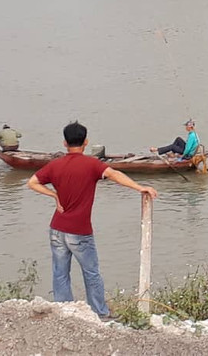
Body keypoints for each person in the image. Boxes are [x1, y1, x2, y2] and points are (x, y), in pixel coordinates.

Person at [28, 121, 158, 319]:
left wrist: (54, 195)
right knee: (91, 273)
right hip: (79, 232)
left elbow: (32, 182)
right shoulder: (92, 165)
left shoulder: (54, 165)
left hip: (56, 229)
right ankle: (100, 312)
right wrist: (139, 187)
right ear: (86, 142)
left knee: (60, 273)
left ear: (64, 143)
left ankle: (64, 313)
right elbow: (115, 175)